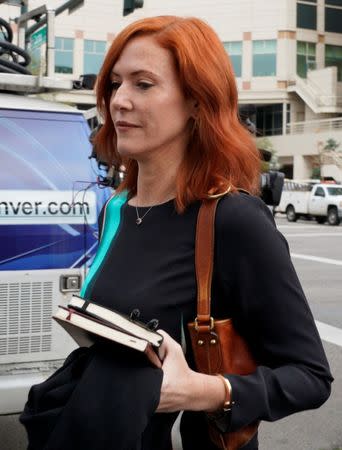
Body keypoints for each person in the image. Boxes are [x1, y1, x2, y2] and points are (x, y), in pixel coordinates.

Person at [86, 15, 332, 450]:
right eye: (115, 83)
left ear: (197, 102)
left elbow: (310, 376)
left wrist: (200, 390)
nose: (119, 100)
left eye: (143, 84)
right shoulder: (117, 209)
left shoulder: (233, 220)